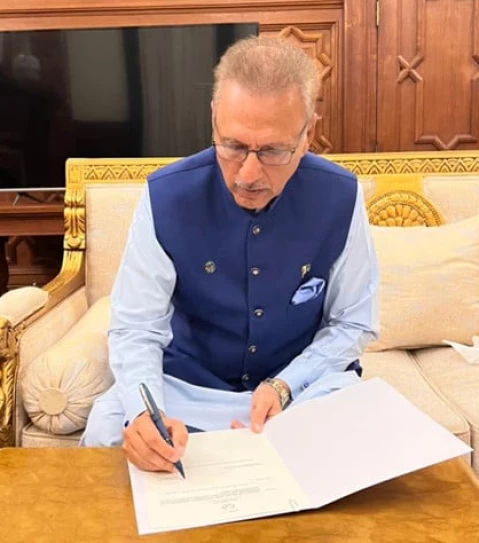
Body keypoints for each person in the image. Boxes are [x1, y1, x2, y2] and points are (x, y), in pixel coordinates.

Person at [81, 36, 379, 473]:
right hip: (186, 387)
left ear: (307, 134)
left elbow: (353, 322)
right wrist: (146, 414)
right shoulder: (165, 196)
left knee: (360, 430)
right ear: (214, 121)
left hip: (295, 391)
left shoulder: (341, 196)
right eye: (234, 146)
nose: (249, 173)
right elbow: (136, 328)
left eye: (274, 150)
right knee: (107, 429)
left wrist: (285, 385)